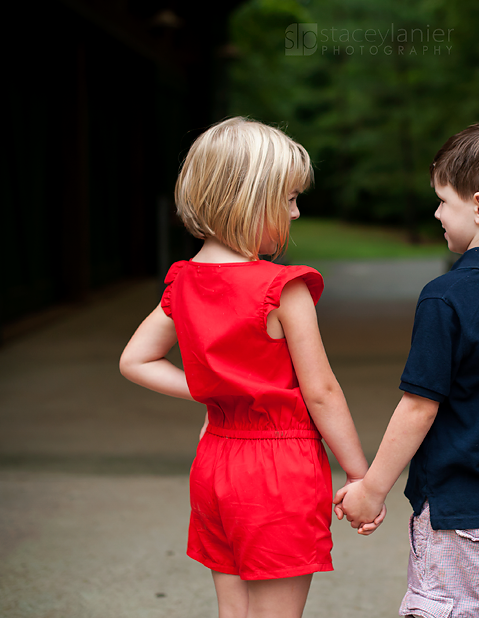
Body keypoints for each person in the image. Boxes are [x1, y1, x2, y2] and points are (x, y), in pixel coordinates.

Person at [119, 117, 382, 618]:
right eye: (287, 199)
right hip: (279, 469)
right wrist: (359, 475)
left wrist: (213, 392)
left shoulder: (183, 281)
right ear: (250, 199)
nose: (297, 212)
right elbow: (321, 390)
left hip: (215, 461)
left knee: (233, 612)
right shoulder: (283, 288)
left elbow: (135, 360)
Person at [334, 120, 479, 618]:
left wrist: (372, 489)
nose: (436, 212)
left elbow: (419, 406)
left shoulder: (446, 297)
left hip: (465, 515)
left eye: (443, 201)